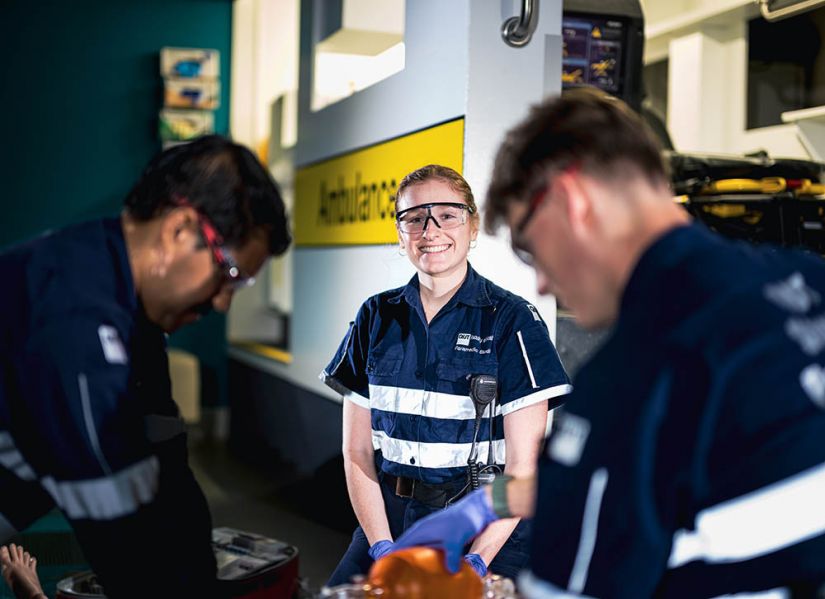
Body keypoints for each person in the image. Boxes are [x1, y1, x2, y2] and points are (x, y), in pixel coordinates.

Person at [391, 87, 825, 597]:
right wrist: (490, 503)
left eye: (530, 248)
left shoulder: (638, 376)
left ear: (571, 202)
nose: (544, 285)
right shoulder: (808, 281)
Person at [0, 135, 291, 597]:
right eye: (229, 273)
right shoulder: (76, 321)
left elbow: (169, 466)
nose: (221, 302)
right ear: (179, 231)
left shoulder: (128, 307)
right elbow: (121, 537)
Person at [320, 164, 571, 587]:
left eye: (448, 215)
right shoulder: (375, 317)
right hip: (390, 521)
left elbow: (524, 469)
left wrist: (475, 564)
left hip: (485, 529)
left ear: (472, 226)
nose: (430, 230)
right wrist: (382, 547)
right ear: (401, 234)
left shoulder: (511, 321)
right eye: (414, 218)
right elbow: (357, 453)